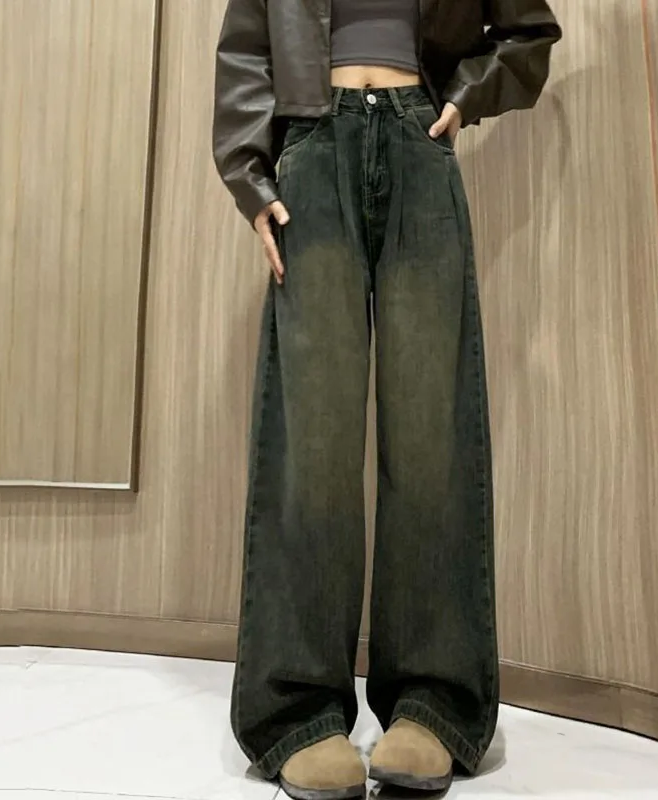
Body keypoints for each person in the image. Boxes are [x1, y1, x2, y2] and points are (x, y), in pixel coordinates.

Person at [212, 1, 561, 798]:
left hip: (416, 140)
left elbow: (527, 36)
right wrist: (249, 175)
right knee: (314, 441)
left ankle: (433, 703)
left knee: (431, 434)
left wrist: (463, 98)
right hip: (311, 148)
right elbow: (245, 52)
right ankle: (297, 710)